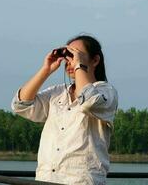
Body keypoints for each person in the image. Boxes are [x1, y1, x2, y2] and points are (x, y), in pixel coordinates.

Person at [11, 34, 118, 185]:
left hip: (81, 181)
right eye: (68, 55)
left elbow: (88, 101)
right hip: (45, 179)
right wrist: (46, 69)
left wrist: (79, 65)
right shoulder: (58, 93)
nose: (71, 61)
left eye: (76, 55)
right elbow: (20, 105)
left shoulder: (107, 92)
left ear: (95, 60)